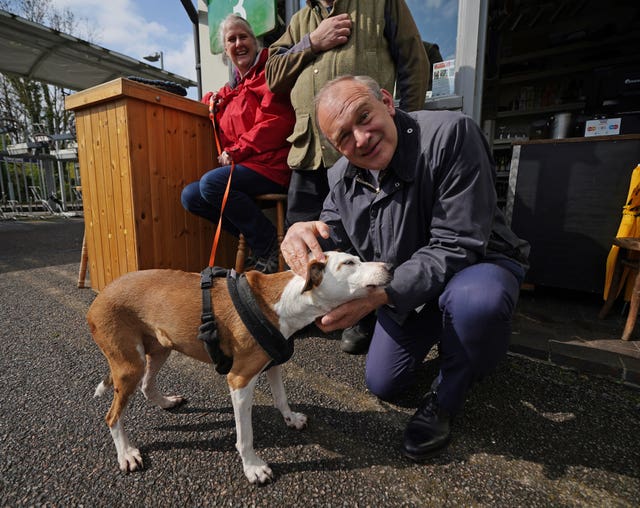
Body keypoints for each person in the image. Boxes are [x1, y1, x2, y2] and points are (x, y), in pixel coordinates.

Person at [280, 75, 530, 461]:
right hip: (406, 286)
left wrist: (377, 298)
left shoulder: (452, 134)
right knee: (383, 382)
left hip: (475, 264)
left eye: (364, 117)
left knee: (478, 304)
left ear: (387, 101)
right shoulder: (339, 176)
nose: (360, 139)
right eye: (344, 137)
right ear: (335, 147)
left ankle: (448, 394)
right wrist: (299, 231)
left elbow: (457, 244)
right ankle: (452, 336)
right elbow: (333, 237)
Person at [266, 0, 429, 349]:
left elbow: (414, 61)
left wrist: (408, 129)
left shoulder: (381, 3)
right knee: (309, 237)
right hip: (309, 148)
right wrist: (312, 41)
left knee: (365, 235)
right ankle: (311, 312)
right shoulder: (300, 21)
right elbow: (273, 75)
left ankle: (365, 316)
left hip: (363, 147)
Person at [181, 14, 295, 274]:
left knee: (212, 184)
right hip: (247, 168)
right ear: (226, 50)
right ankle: (257, 243)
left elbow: (276, 122)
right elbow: (215, 107)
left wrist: (236, 150)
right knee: (191, 196)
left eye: (243, 36)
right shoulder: (228, 91)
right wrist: (208, 102)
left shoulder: (269, 74)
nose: (238, 43)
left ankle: (268, 245)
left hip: (273, 166)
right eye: (231, 39)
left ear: (255, 42)